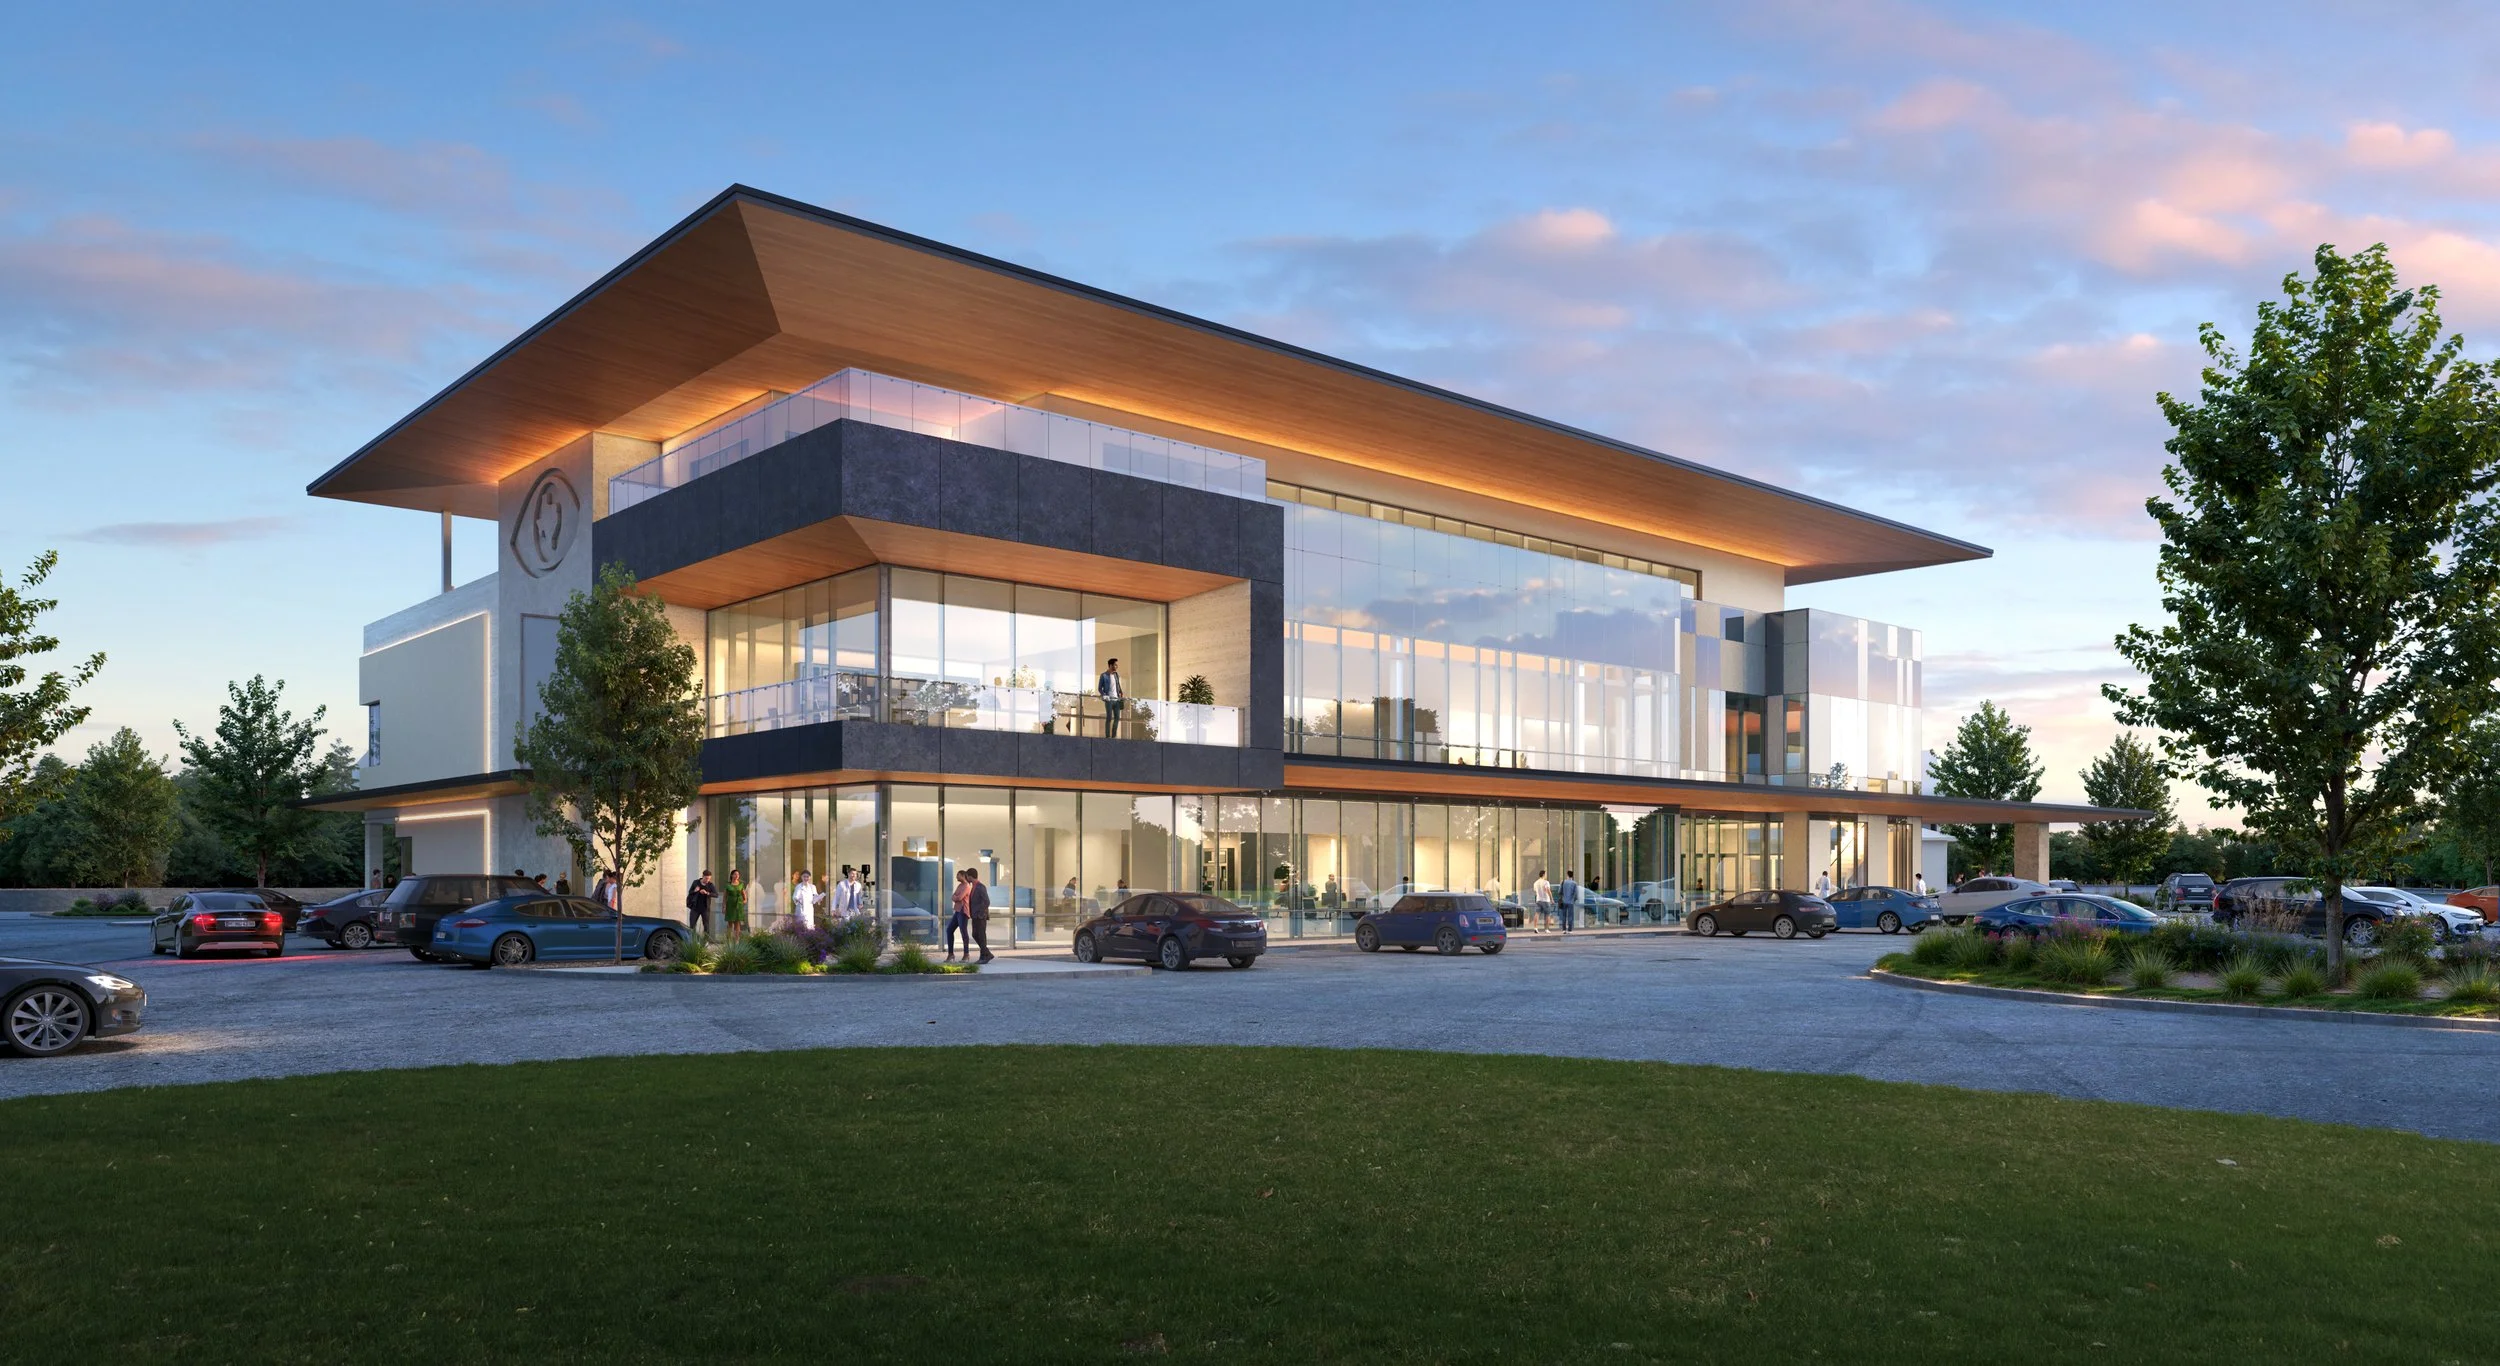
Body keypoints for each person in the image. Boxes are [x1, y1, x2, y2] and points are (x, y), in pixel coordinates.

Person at [966, 866, 994, 964]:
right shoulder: (973, 887)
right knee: (975, 934)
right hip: (975, 916)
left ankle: (984, 956)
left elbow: (986, 901)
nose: (966, 878)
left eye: (967, 876)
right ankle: (987, 953)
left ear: (970, 876)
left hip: (980, 916)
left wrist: (980, 913)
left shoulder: (980, 887)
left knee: (981, 936)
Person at [945, 869, 974, 961]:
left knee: (963, 932)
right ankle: (951, 954)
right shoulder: (960, 886)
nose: (956, 877)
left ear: (963, 875)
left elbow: (959, 897)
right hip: (957, 911)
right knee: (949, 930)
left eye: (958, 875)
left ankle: (966, 954)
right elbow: (953, 896)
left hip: (963, 911)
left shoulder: (967, 886)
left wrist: (956, 897)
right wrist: (956, 897)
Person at [1098, 657, 1126, 737]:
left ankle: (1114, 736)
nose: (1117, 667)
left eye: (1117, 665)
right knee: (1109, 718)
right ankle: (1107, 736)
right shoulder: (1103, 675)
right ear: (1110, 665)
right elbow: (1100, 688)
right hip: (1109, 700)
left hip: (1117, 699)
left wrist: (1120, 692)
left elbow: (1117, 685)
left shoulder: (1116, 675)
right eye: (1115, 665)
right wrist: (1104, 695)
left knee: (1117, 718)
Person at [686, 869, 718, 937]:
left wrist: (707, 893)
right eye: (706, 878)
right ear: (702, 876)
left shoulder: (710, 885)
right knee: (692, 925)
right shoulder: (696, 882)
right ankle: (692, 940)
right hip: (695, 907)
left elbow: (716, 894)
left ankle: (706, 941)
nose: (707, 880)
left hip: (705, 908)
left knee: (706, 925)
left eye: (709, 878)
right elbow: (690, 892)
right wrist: (695, 890)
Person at [724, 869, 748, 933]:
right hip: (730, 904)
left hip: (738, 905)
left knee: (737, 923)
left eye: (738, 874)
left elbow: (744, 895)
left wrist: (744, 900)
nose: (737, 875)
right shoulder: (728, 884)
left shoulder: (741, 884)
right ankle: (729, 940)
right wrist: (724, 906)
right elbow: (725, 896)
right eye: (735, 874)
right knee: (730, 923)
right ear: (732, 875)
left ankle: (737, 941)